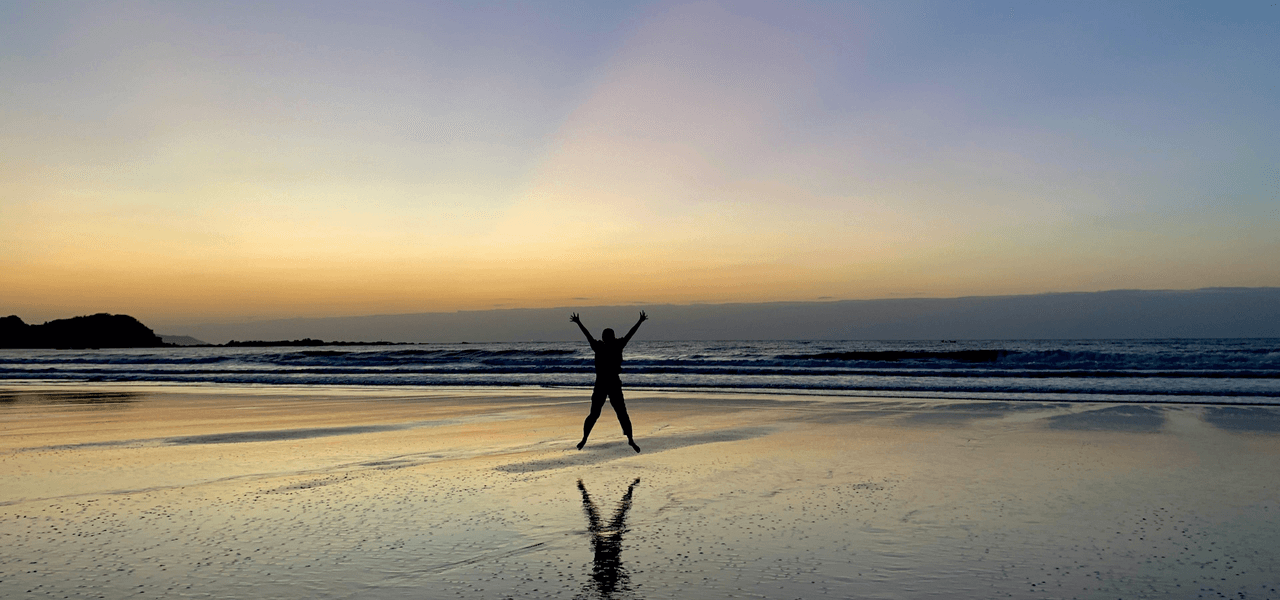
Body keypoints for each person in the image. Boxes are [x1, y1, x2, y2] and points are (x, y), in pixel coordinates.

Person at [571, 311, 647, 452]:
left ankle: (630, 439)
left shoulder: (608, 346)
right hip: (604, 384)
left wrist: (640, 322)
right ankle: (585, 438)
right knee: (599, 414)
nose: (607, 338)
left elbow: (630, 334)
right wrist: (579, 323)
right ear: (607, 337)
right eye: (607, 336)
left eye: (608, 336)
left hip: (610, 384)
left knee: (619, 413)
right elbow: (588, 335)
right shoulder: (605, 346)